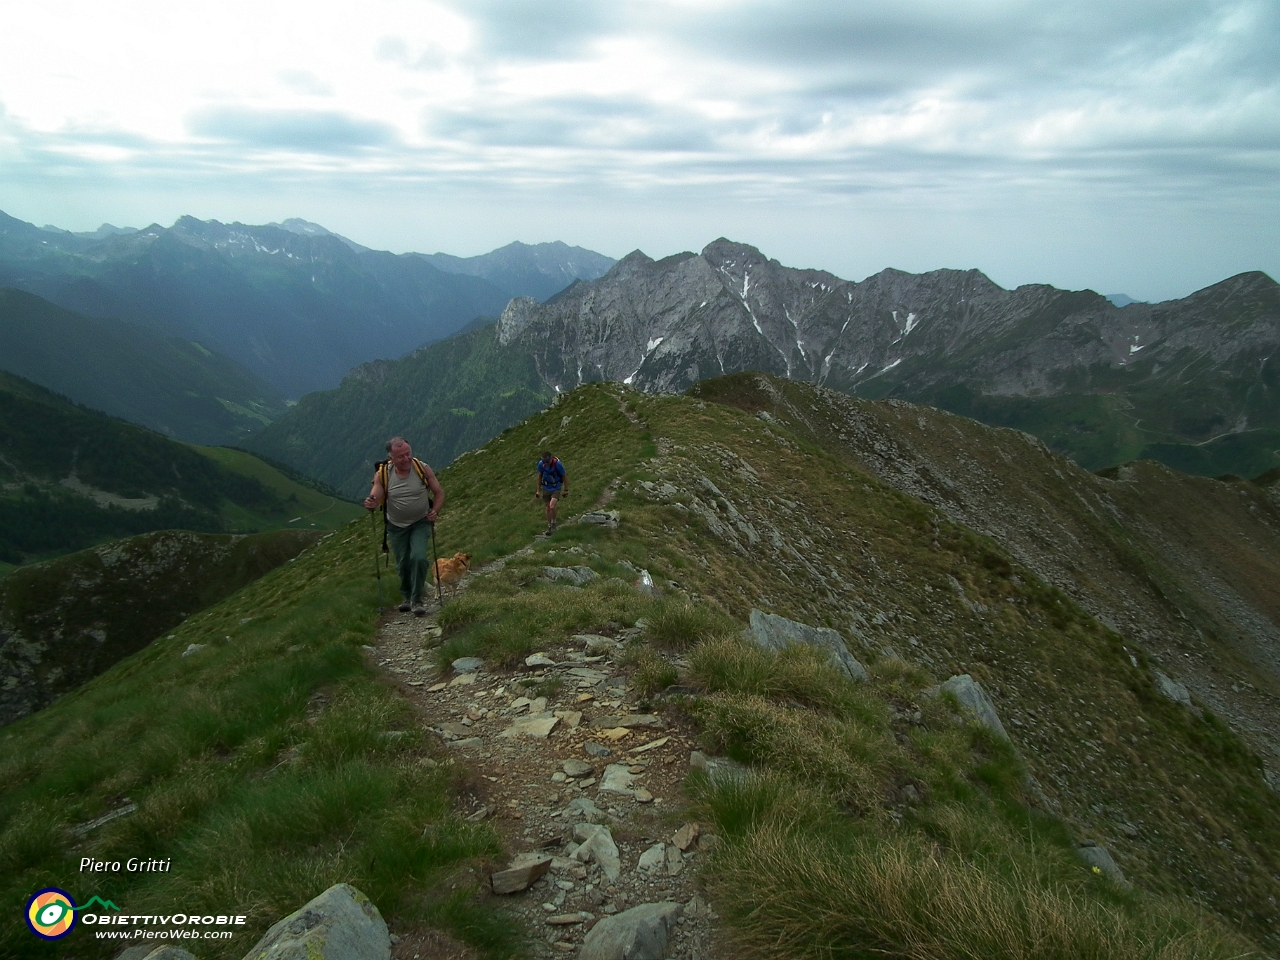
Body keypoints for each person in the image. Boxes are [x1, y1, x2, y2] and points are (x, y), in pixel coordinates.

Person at [364, 437, 444, 616]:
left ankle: (417, 600)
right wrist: (371, 502)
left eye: (408, 454)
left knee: (419, 558)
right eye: (401, 456)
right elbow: (376, 494)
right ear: (391, 457)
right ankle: (407, 597)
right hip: (395, 526)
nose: (406, 459)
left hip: (421, 522)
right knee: (402, 564)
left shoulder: (422, 469)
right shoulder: (383, 474)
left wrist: (435, 512)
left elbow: (439, 493)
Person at [534, 450, 568, 533]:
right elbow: (539, 477)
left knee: (552, 506)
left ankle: (553, 523)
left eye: (547, 462)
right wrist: (538, 490)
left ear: (550, 459)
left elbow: (564, 477)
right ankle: (549, 526)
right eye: (544, 462)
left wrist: (566, 490)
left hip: (556, 487)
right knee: (548, 508)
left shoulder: (558, 465)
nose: (546, 464)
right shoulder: (541, 464)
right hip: (546, 487)